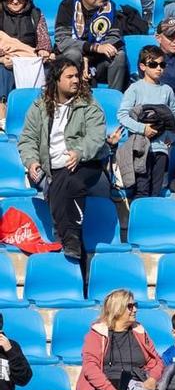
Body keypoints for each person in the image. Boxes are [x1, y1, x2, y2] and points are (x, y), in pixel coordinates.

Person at [17, 58, 108, 267]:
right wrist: (31, 162)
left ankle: (67, 239)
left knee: (67, 182)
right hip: (53, 167)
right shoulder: (39, 106)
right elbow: (28, 138)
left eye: (77, 76)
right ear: (56, 80)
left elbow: (96, 136)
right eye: (70, 76)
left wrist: (79, 151)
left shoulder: (88, 103)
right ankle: (72, 242)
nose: (76, 80)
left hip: (86, 163)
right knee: (60, 182)